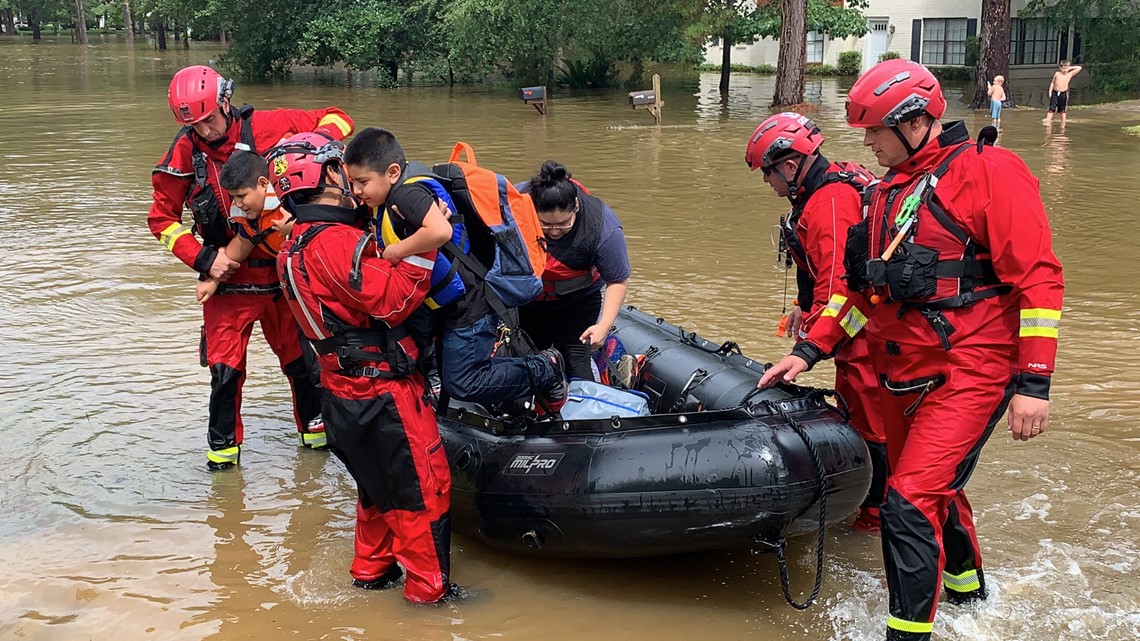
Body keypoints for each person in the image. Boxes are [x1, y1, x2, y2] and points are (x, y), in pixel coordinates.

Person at [762, 59, 1064, 641]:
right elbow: (858, 294)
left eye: (875, 130)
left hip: (969, 368)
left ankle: (906, 635)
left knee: (905, 502)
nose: (866, 142)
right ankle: (970, 594)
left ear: (915, 122)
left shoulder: (987, 172)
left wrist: (1033, 382)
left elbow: (1040, 280)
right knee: (932, 491)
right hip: (903, 371)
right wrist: (808, 352)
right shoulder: (884, 195)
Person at [269, 132, 465, 604]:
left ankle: (371, 573)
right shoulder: (334, 242)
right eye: (340, 171)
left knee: (376, 488)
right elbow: (393, 300)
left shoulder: (292, 243)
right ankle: (428, 595)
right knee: (423, 492)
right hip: (382, 395)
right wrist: (418, 248)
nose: (351, 186)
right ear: (325, 175)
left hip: (340, 393)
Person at [147, 65, 352, 469]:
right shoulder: (183, 154)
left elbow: (338, 116)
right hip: (227, 275)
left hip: (280, 271)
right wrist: (206, 260)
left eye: (209, 120)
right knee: (225, 372)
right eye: (195, 125)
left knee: (301, 363)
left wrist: (315, 145)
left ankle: (315, 448)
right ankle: (223, 466)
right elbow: (161, 220)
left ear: (225, 102)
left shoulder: (268, 127)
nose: (205, 131)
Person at [342, 127, 567, 414]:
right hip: (452, 305)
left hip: (469, 305)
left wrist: (395, 252)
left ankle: (544, 369)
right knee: (454, 377)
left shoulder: (406, 195)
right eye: (353, 183)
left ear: (393, 172)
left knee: (464, 382)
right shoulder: (394, 197)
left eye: (363, 182)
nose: (358, 191)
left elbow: (439, 230)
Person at [745, 112, 888, 532]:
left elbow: (839, 288)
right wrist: (802, 310)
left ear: (789, 166)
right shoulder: (835, 184)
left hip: (864, 333)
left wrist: (803, 353)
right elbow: (828, 274)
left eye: (767, 173)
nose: (766, 182)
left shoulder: (828, 205)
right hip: (863, 320)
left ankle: (874, 516)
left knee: (868, 419)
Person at [516, 161, 631, 381]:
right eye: (546, 225)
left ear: (576, 206)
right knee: (524, 362)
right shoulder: (515, 207)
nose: (555, 231)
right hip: (526, 300)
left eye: (563, 223)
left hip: (577, 300)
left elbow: (617, 280)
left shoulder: (602, 226)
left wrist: (603, 326)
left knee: (576, 365)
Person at [195, 151, 293, 305]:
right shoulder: (251, 220)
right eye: (233, 197)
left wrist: (295, 229)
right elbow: (241, 244)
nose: (238, 204)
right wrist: (213, 281)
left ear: (263, 183)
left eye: (241, 196)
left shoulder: (291, 203)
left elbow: (329, 233)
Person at [1044, 60, 1083, 128]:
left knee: (1062, 110)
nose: (1065, 70)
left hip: (1063, 93)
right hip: (1055, 92)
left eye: (1066, 68)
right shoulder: (1057, 74)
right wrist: (1050, 91)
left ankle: (1063, 124)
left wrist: (1069, 68)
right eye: (1063, 68)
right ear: (1060, 68)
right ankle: (1048, 121)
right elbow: (1052, 83)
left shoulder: (1069, 74)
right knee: (1051, 108)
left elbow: (1079, 68)